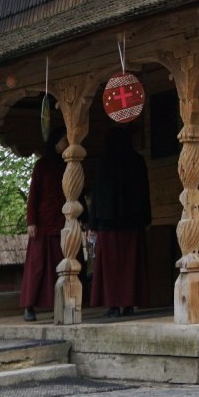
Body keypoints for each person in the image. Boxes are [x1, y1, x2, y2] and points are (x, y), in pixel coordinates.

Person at [87, 125, 151, 316]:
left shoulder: (103, 161)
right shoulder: (137, 161)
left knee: (111, 268)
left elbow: (96, 195)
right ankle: (129, 304)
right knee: (130, 266)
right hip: (132, 222)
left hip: (108, 223)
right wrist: (146, 218)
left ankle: (113, 305)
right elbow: (144, 192)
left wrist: (93, 224)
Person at [20, 141, 66, 321]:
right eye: (63, 140)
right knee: (37, 266)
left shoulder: (68, 164)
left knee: (60, 266)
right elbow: (33, 194)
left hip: (62, 223)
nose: (66, 144)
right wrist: (31, 221)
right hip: (42, 223)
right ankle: (29, 306)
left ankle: (60, 304)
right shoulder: (42, 165)